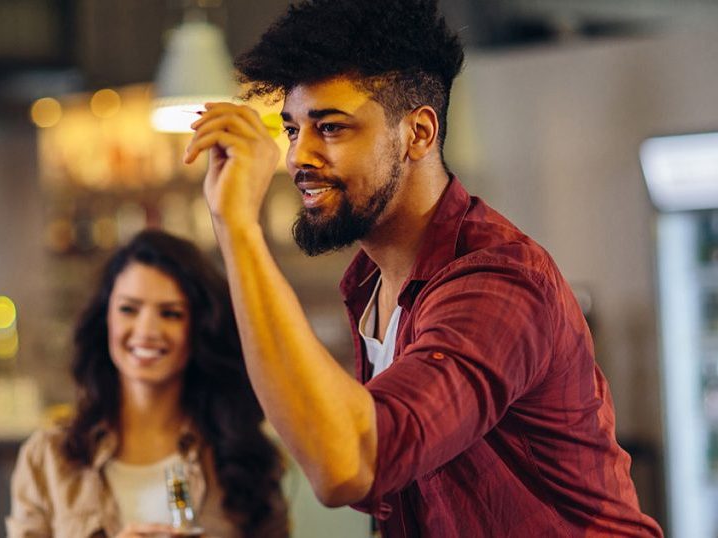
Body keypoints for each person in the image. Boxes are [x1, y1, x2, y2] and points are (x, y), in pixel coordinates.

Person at [182, 0, 664, 536]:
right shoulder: (371, 285)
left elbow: (353, 464)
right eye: (293, 130)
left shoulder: (496, 282)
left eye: (332, 128)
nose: (299, 157)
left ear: (418, 133)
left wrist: (240, 229)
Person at [6, 230, 288, 538]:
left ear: (199, 327)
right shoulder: (47, 458)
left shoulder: (243, 457)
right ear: (106, 319)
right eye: (129, 309)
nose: (147, 330)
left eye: (171, 313)